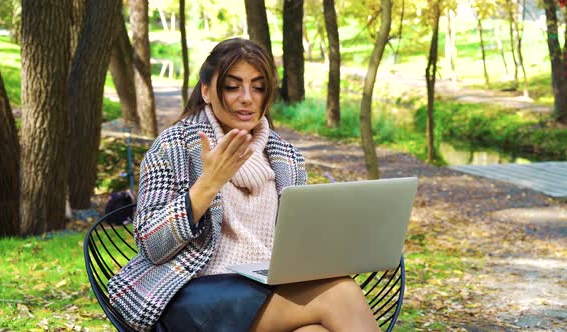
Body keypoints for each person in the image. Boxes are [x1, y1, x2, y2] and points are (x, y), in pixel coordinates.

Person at [108, 38, 381, 332]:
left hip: (268, 289)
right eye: (232, 86)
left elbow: (300, 241)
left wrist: (354, 248)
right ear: (206, 91)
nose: (247, 98)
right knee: (341, 292)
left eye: (258, 86)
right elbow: (151, 245)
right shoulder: (174, 146)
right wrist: (207, 185)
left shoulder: (286, 158)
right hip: (191, 293)